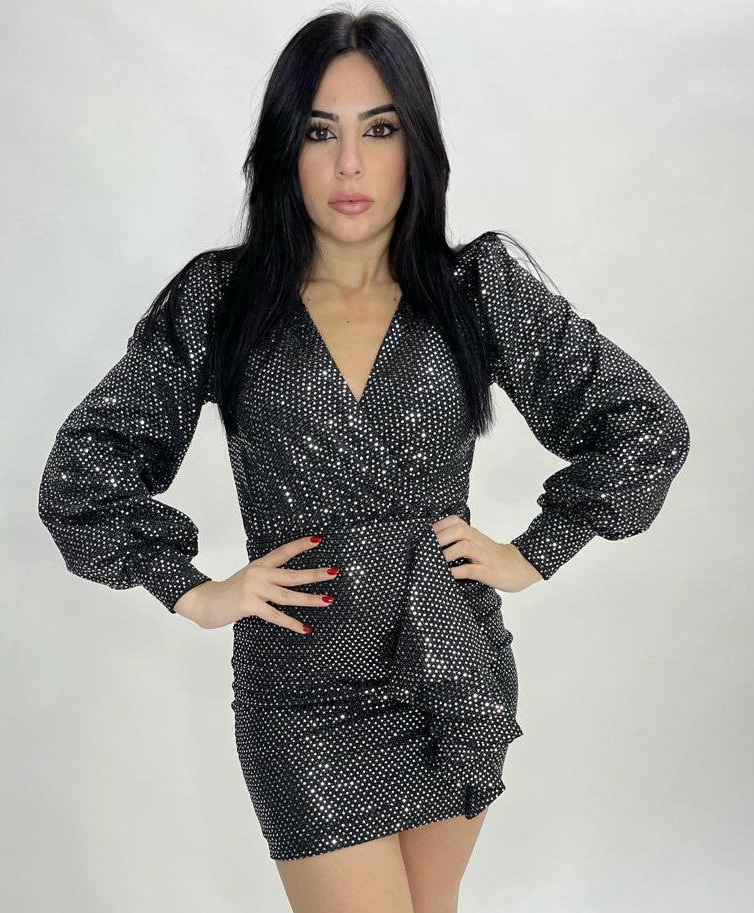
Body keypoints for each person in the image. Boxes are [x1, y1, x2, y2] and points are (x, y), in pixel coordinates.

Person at [37, 9, 691, 913]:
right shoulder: (222, 299)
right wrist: (192, 590)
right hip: (300, 690)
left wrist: (535, 552)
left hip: (449, 662)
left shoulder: (475, 288)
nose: (349, 164)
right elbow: (86, 471)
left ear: (414, 146)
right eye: (320, 132)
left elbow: (643, 425)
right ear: (284, 151)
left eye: (378, 130)